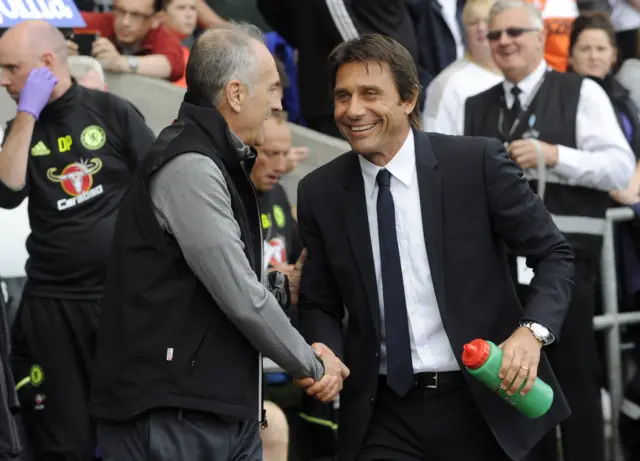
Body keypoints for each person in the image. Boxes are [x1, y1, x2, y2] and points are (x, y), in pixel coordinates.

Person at [296, 33, 575, 461]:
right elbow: (320, 301)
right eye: (342, 95)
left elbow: (554, 254)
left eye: (371, 93)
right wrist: (324, 349)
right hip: (382, 412)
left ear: (408, 99)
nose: (353, 110)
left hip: (484, 401)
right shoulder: (320, 192)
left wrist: (531, 332)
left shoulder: (476, 164)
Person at [90, 23, 349, 460]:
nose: (279, 102)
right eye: (272, 88)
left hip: (214, 410)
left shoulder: (216, 160)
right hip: (175, 415)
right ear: (235, 94)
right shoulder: (191, 165)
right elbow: (240, 297)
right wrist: (312, 364)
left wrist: (283, 286)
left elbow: (202, 286)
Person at [464, 2, 636, 460]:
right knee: (516, 387)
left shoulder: (581, 92)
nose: (504, 42)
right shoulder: (474, 105)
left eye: (515, 31)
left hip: (568, 262)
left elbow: (620, 169)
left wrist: (555, 155)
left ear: (542, 38)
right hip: (499, 269)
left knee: (575, 384)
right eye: (495, 34)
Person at [0, 20, 156, 461]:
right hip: (51, 303)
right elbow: (7, 192)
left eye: (12, 68)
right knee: (65, 440)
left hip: (118, 300)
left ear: (46, 62)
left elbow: (161, 188)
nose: (3, 79)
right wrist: (27, 114)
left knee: (129, 430)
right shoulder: (22, 128)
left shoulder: (112, 112)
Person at [423, 0, 503, 135]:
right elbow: (433, 143)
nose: (481, 28)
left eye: (487, 21)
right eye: (473, 23)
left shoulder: (516, 74)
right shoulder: (447, 84)